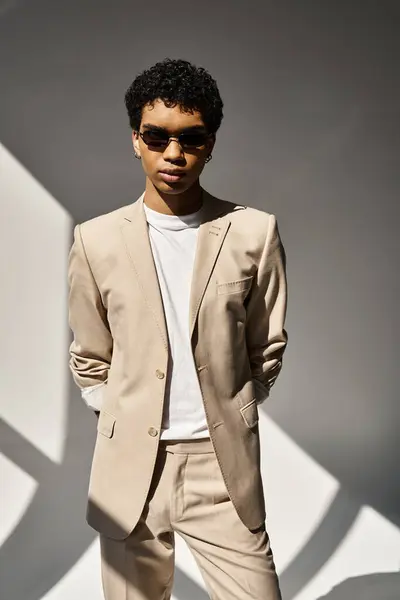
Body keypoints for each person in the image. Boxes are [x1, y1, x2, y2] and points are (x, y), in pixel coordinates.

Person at [68, 57, 288, 600]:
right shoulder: (95, 241)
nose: (174, 154)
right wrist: (125, 410)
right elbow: (90, 355)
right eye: (157, 136)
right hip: (132, 475)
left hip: (223, 465)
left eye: (191, 138)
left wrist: (237, 404)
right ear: (135, 140)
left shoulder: (253, 232)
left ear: (211, 143)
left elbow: (267, 343)